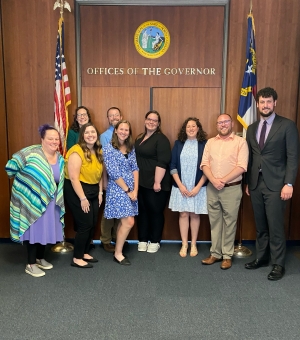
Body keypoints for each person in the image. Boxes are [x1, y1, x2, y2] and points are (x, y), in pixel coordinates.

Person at [245, 87, 299, 280]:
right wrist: (247, 182)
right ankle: (262, 258)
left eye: (269, 101)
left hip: (277, 184)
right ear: (257, 104)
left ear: (274, 103)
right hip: (255, 184)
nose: (265, 105)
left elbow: (293, 157)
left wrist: (289, 184)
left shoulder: (287, 125)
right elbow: (251, 157)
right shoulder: (251, 128)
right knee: (260, 225)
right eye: (262, 102)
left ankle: (278, 264)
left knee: (275, 225)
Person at [5, 124, 65, 277]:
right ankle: (30, 264)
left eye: (56, 139)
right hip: (32, 202)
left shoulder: (60, 158)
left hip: (50, 202)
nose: (54, 141)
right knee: (34, 232)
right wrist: (23, 186)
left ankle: (39, 258)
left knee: (44, 232)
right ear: (42, 140)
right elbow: (10, 168)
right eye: (50, 138)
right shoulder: (31, 153)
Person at [200, 114, 249, 270]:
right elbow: (204, 164)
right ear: (217, 125)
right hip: (212, 188)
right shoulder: (210, 142)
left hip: (232, 189)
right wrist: (214, 180)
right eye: (219, 122)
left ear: (232, 123)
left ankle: (227, 256)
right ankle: (215, 253)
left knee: (230, 222)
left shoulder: (241, 142)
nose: (222, 125)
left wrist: (223, 180)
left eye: (225, 121)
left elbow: (242, 166)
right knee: (214, 222)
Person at [64, 123, 103, 268]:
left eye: (93, 132)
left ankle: (85, 252)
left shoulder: (98, 150)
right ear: (82, 135)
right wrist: (83, 198)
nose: (90, 135)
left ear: (97, 135)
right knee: (85, 224)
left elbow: (99, 174)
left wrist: (100, 192)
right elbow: (74, 178)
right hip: (77, 190)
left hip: (92, 189)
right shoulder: (76, 151)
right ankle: (77, 257)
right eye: (87, 132)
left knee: (92, 222)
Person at [169, 117, 208, 257]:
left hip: (198, 186)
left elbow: (208, 167)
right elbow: (172, 166)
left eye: (193, 126)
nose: (191, 128)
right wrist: (180, 186)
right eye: (188, 126)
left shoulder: (205, 144)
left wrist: (198, 187)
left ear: (198, 128)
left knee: (195, 214)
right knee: (183, 213)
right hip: (181, 186)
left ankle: (193, 244)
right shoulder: (178, 144)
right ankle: (184, 244)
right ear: (184, 130)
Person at [135, 110, 171, 253]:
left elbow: (163, 161)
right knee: (142, 211)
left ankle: (155, 241)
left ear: (158, 123)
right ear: (145, 120)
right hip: (141, 182)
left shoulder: (161, 139)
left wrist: (157, 182)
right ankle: (142, 239)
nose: (151, 122)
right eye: (149, 119)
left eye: (154, 120)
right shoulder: (140, 137)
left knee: (155, 212)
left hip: (157, 183)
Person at [103, 120, 139, 265]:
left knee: (123, 221)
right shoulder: (108, 148)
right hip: (118, 189)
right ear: (116, 131)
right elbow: (113, 173)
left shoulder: (130, 147)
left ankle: (119, 248)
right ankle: (118, 253)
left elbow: (135, 168)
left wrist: (136, 189)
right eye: (121, 129)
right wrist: (128, 190)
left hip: (131, 189)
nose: (124, 132)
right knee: (129, 221)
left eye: (127, 130)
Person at [99, 107, 123, 253]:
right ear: (108, 119)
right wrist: (105, 181)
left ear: (121, 117)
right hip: (111, 179)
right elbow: (104, 162)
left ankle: (117, 237)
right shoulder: (104, 136)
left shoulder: (125, 134)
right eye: (111, 116)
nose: (114, 117)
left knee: (121, 210)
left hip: (124, 181)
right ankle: (106, 240)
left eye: (116, 115)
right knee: (109, 211)